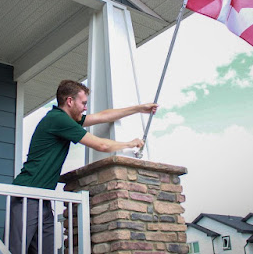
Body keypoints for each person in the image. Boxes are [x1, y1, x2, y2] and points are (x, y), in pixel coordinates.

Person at [9, 79, 158, 254]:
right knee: (14, 250)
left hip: (43, 198)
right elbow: (101, 145)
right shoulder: (57, 119)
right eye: (84, 103)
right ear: (70, 101)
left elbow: (103, 116)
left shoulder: (65, 120)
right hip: (27, 193)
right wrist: (130, 143)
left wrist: (139, 108)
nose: (85, 108)